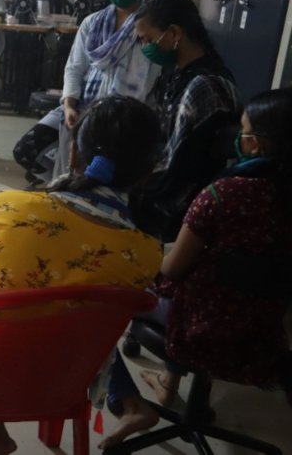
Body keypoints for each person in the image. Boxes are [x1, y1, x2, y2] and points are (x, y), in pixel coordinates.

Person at [0, 96, 162, 455]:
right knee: (37, 326)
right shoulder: (147, 254)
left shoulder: (9, 208)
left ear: (73, 153)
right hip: (62, 383)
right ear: (147, 175)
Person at [102, 87, 292, 448]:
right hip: (264, 332)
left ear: (257, 145)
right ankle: (169, 384)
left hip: (198, 326)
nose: (238, 139)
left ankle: (129, 399)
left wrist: (144, 256)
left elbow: (172, 270)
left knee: (105, 291)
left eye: (244, 132)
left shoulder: (223, 195)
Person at [14, 0, 160, 182]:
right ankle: (67, 184)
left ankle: (80, 186)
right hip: (81, 106)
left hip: (121, 118)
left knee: (101, 171)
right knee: (26, 149)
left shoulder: (149, 28)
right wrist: (69, 105)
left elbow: (147, 80)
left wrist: (103, 119)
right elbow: (75, 67)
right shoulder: (93, 23)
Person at [129, 0, 242, 239]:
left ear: (174, 34)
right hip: (177, 190)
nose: (145, 47)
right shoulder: (181, 73)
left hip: (182, 207)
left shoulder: (204, 85)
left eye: (148, 39)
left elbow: (178, 166)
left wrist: (134, 186)